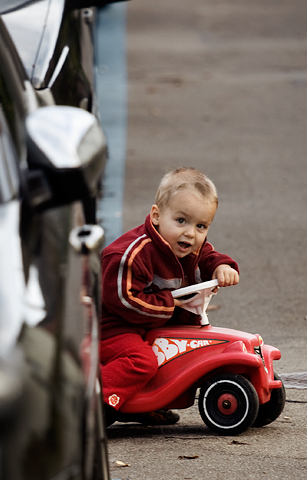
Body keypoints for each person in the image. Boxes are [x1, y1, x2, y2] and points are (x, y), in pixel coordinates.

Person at [101, 166, 239, 426]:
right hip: (109, 326)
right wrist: (169, 302)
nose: (190, 233)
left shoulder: (189, 248)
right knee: (141, 360)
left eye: (201, 226)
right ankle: (97, 402)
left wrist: (222, 266)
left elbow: (207, 256)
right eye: (181, 221)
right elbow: (124, 299)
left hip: (147, 323)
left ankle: (143, 402)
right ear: (156, 216)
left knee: (173, 349)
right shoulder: (130, 254)